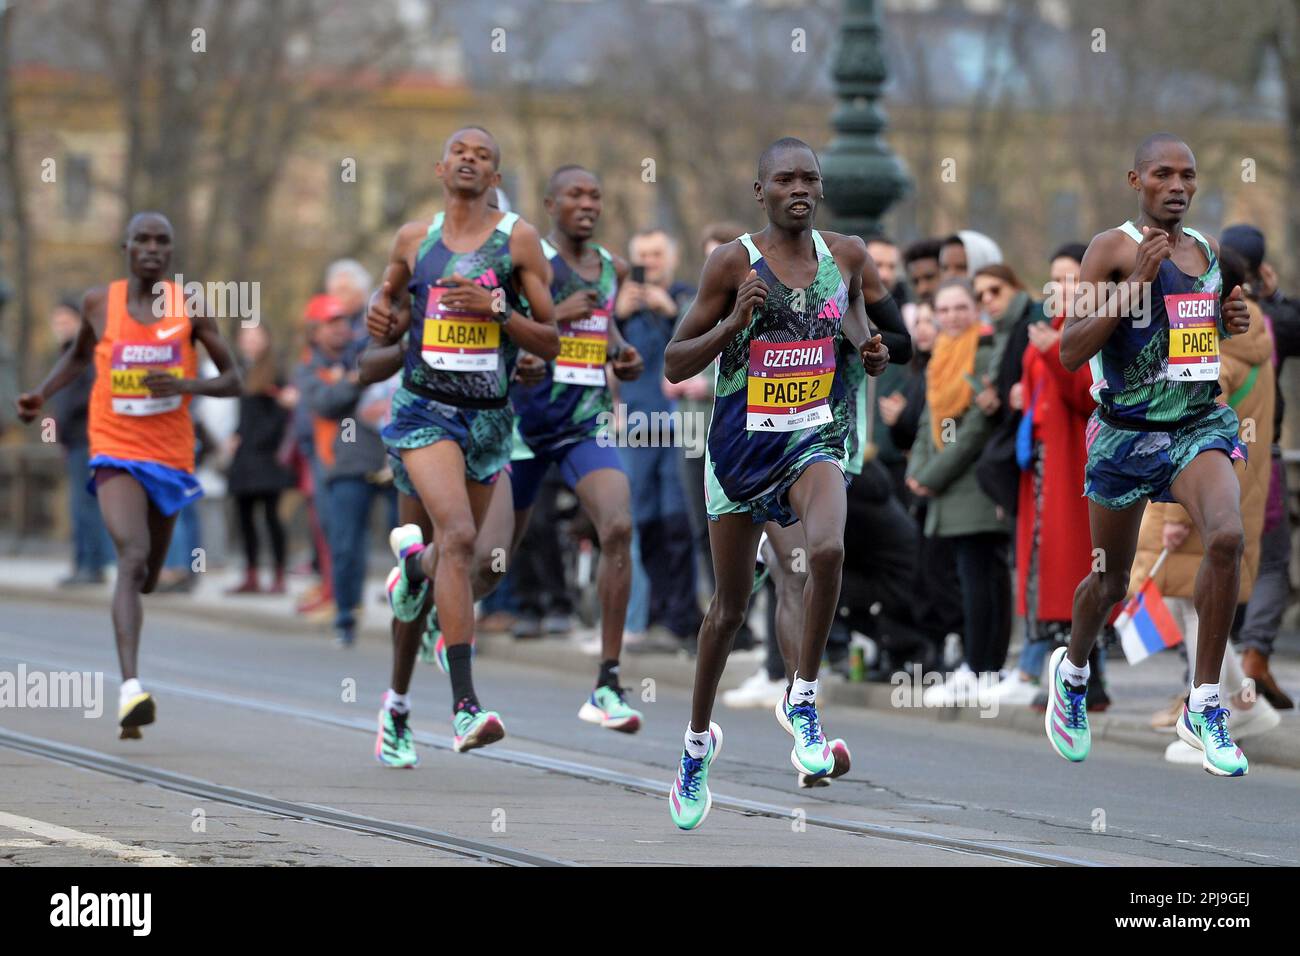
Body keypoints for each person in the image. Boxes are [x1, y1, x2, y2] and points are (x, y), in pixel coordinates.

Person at [661, 137, 891, 829]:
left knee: (823, 553)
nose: (800, 188)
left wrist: (867, 344)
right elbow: (674, 362)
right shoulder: (732, 261)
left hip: (813, 435)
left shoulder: (846, 254)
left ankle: (804, 696)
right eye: (785, 179)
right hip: (737, 451)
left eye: (810, 179)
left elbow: (850, 311)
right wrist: (733, 321)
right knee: (729, 609)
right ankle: (697, 744)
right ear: (759, 190)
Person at [1049, 133, 1253, 776]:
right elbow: (1072, 347)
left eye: (1187, 175)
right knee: (1109, 581)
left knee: (1226, 537)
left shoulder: (1208, 253)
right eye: (1162, 174)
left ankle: (1205, 703)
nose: (1177, 186)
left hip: (1197, 424)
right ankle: (1073, 670)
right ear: (1135, 180)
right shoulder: (1111, 248)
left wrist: (1228, 319)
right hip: (1125, 434)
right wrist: (1132, 282)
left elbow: (1192, 330)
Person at [367, 125, 558, 756]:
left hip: (488, 419)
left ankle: (394, 704)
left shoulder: (518, 241)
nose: (470, 162)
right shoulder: (413, 239)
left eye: (483, 157)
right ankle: (465, 707)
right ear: (440, 167)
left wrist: (497, 312)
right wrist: (380, 312)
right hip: (424, 411)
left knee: (459, 565)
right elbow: (388, 304)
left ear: (496, 178)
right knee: (457, 539)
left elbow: (550, 340)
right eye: (460, 153)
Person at [14, 211, 240, 738]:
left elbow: (234, 379)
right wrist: (40, 395)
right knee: (131, 557)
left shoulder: (191, 307)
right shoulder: (100, 302)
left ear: (171, 251)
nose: (153, 248)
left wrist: (184, 386)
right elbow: (76, 357)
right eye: (143, 239)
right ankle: (131, 689)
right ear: (127, 246)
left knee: (149, 576)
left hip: (169, 455)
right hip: (113, 447)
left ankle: (143, 597)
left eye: (163, 240)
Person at [504, 164, 647, 729]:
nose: (587, 203)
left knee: (617, 525)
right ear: (550, 203)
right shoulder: (528, 261)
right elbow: (497, 328)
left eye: (595, 194)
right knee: (489, 565)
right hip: (522, 425)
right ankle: (418, 577)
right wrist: (545, 329)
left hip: (584, 422)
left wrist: (621, 352)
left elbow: (604, 325)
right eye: (575, 195)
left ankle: (608, 682)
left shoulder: (613, 267)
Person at [1127, 248, 1280, 755]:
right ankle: (1241, 704)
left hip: (1199, 502)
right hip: (1239, 491)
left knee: (1198, 609)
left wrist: (1171, 511)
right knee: (1201, 607)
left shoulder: (1215, 350)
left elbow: (1190, 434)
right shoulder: (1257, 338)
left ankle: (1225, 712)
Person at [987, 245, 1096, 705]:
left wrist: (1053, 356)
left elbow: (1091, 395)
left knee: (1076, 569)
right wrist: (1021, 392)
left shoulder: (1093, 327)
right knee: (1040, 570)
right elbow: (1039, 381)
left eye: (1070, 278)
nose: (1060, 287)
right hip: (1041, 464)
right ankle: (1040, 667)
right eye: (1054, 278)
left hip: (1075, 465)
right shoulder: (1051, 324)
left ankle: (1085, 676)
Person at [908, 279, 1011, 705]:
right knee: (969, 577)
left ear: (974, 309)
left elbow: (973, 430)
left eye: (959, 307)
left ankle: (983, 666)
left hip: (974, 488)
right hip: (946, 488)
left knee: (983, 579)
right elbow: (926, 425)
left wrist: (932, 474)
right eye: (943, 310)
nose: (951, 317)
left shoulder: (984, 353)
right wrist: (917, 470)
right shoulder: (939, 359)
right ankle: (976, 665)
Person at [615, 228, 702, 646]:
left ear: (671, 257)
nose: (649, 262)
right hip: (635, 425)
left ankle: (681, 619)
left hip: (679, 425)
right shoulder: (622, 308)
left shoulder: (687, 299)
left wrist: (670, 313)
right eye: (642, 254)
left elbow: (700, 349)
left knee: (677, 521)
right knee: (644, 521)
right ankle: (653, 614)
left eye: (656, 253)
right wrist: (616, 315)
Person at [1223, 224, 1297, 709]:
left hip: (1210, 457)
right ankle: (1253, 657)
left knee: (1217, 558)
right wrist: (1275, 294)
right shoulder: (1272, 319)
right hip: (1263, 457)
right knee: (1271, 562)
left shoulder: (1201, 317)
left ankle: (1210, 676)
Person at [46, 298, 113, 585]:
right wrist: (53, 434)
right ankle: (82, 563)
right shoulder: (64, 355)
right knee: (77, 506)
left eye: (66, 321)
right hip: (72, 440)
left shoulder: (88, 354)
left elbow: (93, 394)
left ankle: (92, 566)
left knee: (87, 505)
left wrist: (67, 415)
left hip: (90, 438)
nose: (60, 327)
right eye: (57, 322)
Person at [225, 324, 295, 594]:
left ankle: (278, 574)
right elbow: (245, 416)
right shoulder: (242, 371)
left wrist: (255, 440)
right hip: (244, 457)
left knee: (271, 517)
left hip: (267, 457)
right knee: (244, 516)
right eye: (246, 337)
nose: (251, 342)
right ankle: (251, 573)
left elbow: (278, 418)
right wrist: (235, 436)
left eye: (256, 336)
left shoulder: (275, 372)